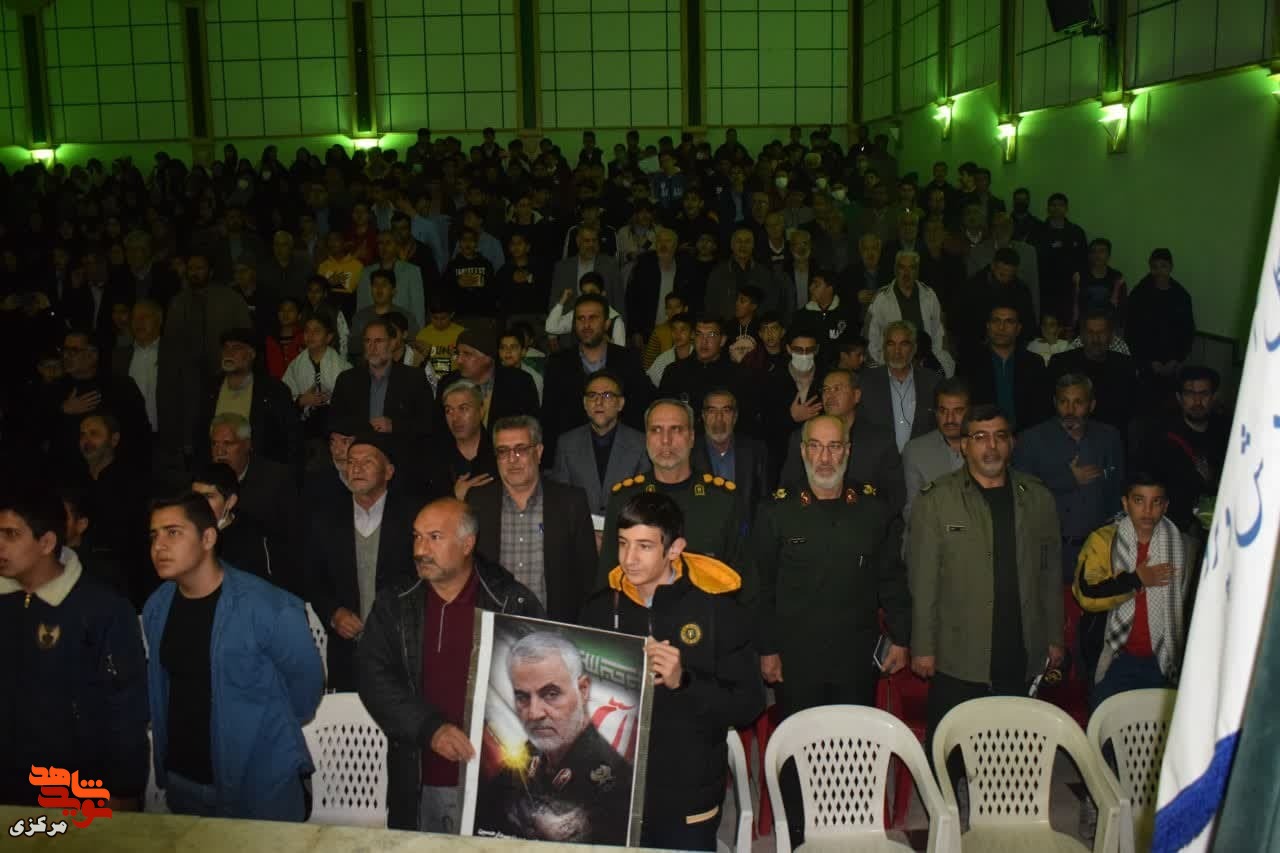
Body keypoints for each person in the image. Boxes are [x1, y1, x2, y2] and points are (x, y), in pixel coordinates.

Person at [579, 492, 766, 850]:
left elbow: (749, 704)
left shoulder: (716, 611)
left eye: (644, 546)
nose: (629, 559)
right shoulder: (599, 610)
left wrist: (685, 682)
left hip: (688, 799)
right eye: (623, 543)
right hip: (613, 793)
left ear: (675, 548)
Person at [358, 497, 543, 831]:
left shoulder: (510, 601)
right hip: (419, 777)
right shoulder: (395, 602)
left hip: (496, 784)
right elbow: (373, 678)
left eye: (434, 537)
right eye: (417, 537)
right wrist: (429, 728)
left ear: (467, 544)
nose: (420, 550)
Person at [142, 492, 323, 820]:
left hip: (260, 785)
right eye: (154, 535)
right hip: (184, 782)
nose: (159, 546)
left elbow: (305, 692)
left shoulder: (269, 607)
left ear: (208, 538)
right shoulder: (157, 606)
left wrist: (257, 736)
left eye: (173, 532)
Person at [908, 404, 1063, 749]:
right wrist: (923, 647)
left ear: (1012, 443)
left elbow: (1050, 573)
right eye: (980, 437)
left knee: (1012, 749)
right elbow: (923, 581)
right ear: (964, 445)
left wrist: (1054, 636)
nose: (991, 446)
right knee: (949, 752)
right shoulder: (937, 501)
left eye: (999, 436)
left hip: (1019, 645)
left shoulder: (1037, 497)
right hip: (957, 651)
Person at [0, 485, 149, 810]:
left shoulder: (101, 609)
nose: (0, 545)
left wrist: (123, 788)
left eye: (11, 534)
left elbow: (125, 705)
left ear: (46, 542)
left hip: (74, 790)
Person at [750, 414, 910, 713]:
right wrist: (767, 649)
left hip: (856, 659)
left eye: (834, 446)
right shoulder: (775, 511)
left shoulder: (873, 508)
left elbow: (891, 578)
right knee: (800, 739)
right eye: (815, 446)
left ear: (847, 450)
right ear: (803, 451)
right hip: (796, 660)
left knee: (854, 738)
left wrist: (901, 638)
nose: (824, 458)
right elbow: (761, 587)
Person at [473, 630, 634, 844]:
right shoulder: (533, 752)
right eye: (522, 697)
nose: (534, 713)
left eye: (551, 694)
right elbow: (483, 816)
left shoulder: (615, 783)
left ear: (583, 689)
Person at [465, 416, 597, 622]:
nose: (512, 459)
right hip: (493, 625)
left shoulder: (571, 502)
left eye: (521, 449)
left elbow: (588, 577)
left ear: (539, 452)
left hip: (554, 626)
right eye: (503, 451)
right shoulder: (478, 501)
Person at [1074, 472, 1186, 707]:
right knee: (1106, 723)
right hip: (1115, 656)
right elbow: (1086, 594)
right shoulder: (1104, 540)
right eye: (1139, 500)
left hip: (1164, 660)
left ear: (1165, 506)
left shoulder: (1181, 545)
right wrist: (1136, 579)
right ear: (1125, 503)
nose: (1147, 510)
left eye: (1156, 502)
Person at [598, 400, 741, 580]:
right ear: (646, 438)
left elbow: (740, 578)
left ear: (692, 437)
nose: (666, 440)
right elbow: (608, 578)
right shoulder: (624, 498)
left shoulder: (722, 500)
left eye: (676, 430)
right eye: (656, 430)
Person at [1013, 374, 1125, 582]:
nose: (1070, 410)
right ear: (1055, 402)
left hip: (1098, 550)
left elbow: (1116, 492)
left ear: (1091, 405)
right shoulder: (1031, 440)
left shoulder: (1109, 437)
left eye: (1078, 402)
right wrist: (1066, 479)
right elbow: (1019, 491)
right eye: (1064, 402)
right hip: (1048, 552)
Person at [777, 368, 906, 513]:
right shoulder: (803, 436)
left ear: (856, 396)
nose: (830, 395)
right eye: (826, 390)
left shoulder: (880, 440)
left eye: (837, 389)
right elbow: (787, 488)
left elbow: (895, 495)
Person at [540, 293, 653, 459]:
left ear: (606, 323)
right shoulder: (558, 363)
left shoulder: (628, 360)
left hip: (622, 453)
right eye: (581, 319)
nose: (586, 325)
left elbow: (640, 409)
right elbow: (549, 417)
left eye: (593, 318)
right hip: (571, 455)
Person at [1140, 366, 1230, 535]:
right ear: (1179, 398)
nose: (1197, 401)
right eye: (1190, 394)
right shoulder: (1161, 438)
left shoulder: (1227, 434)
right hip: (1173, 528)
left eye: (1204, 394)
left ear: (1214, 397)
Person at [548, 370, 650, 518]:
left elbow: (644, 501)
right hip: (579, 527)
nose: (598, 402)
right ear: (585, 403)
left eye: (607, 395)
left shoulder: (640, 443)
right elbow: (560, 498)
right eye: (592, 395)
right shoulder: (567, 443)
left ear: (620, 403)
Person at [197, 327, 300, 470]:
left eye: (236, 348)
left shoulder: (274, 391)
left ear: (251, 354)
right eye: (226, 348)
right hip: (216, 473)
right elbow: (199, 437)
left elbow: (292, 441)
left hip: (260, 473)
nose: (229, 353)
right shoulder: (210, 389)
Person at [1046, 308, 1140, 436]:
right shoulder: (1060, 364)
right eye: (1090, 332)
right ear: (1082, 335)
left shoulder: (1125, 365)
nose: (1096, 339)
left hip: (1113, 439)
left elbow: (1134, 412)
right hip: (1067, 437)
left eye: (1101, 332)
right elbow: (1047, 410)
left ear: (1111, 336)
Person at [961, 300, 1049, 432]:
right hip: (983, 435)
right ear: (988, 326)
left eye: (1009, 321)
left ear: (1018, 329)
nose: (1001, 327)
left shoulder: (1034, 363)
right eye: (996, 321)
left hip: (1027, 437)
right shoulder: (969, 363)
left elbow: (1042, 409)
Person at [858, 321, 940, 452]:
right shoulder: (865, 382)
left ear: (914, 348)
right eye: (891, 344)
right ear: (884, 348)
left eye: (904, 344)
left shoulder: (933, 382)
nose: (897, 351)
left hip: (923, 458)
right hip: (879, 461)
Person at [864, 250, 951, 375]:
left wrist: (941, 364)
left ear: (918, 271)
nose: (906, 273)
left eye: (912, 268)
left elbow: (938, 334)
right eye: (902, 267)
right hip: (892, 365)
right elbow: (871, 339)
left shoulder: (929, 295)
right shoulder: (881, 299)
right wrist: (881, 368)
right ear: (895, 270)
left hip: (924, 365)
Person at [1125, 248, 1196, 395]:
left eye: (1163, 266)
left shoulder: (1181, 296)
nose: (1159, 271)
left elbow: (1187, 331)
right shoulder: (1140, 294)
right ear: (1150, 268)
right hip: (1144, 364)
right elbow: (1131, 330)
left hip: (1172, 365)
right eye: (1155, 267)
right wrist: (1148, 361)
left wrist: (1176, 359)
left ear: (1171, 267)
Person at [695, 388, 769, 523]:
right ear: (703, 416)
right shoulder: (689, 452)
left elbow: (764, 501)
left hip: (746, 531)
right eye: (712, 411)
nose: (719, 418)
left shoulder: (755, 451)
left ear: (735, 417)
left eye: (726, 411)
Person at [191, 462, 273, 584]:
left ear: (230, 501)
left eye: (209, 496)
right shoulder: (182, 529)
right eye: (195, 497)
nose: (199, 504)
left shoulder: (249, 540)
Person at [902, 378, 969, 527]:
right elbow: (912, 511)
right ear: (935, 412)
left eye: (958, 411)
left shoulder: (986, 447)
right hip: (932, 533)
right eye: (943, 411)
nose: (949, 419)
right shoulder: (915, 451)